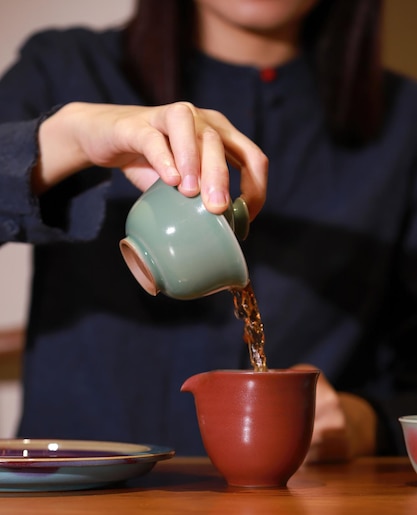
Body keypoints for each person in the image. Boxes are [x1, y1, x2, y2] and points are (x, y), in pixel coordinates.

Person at [0, 0, 416, 461]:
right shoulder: (66, 66)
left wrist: (366, 422)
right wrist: (69, 139)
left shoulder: (405, 123)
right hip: (71, 501)